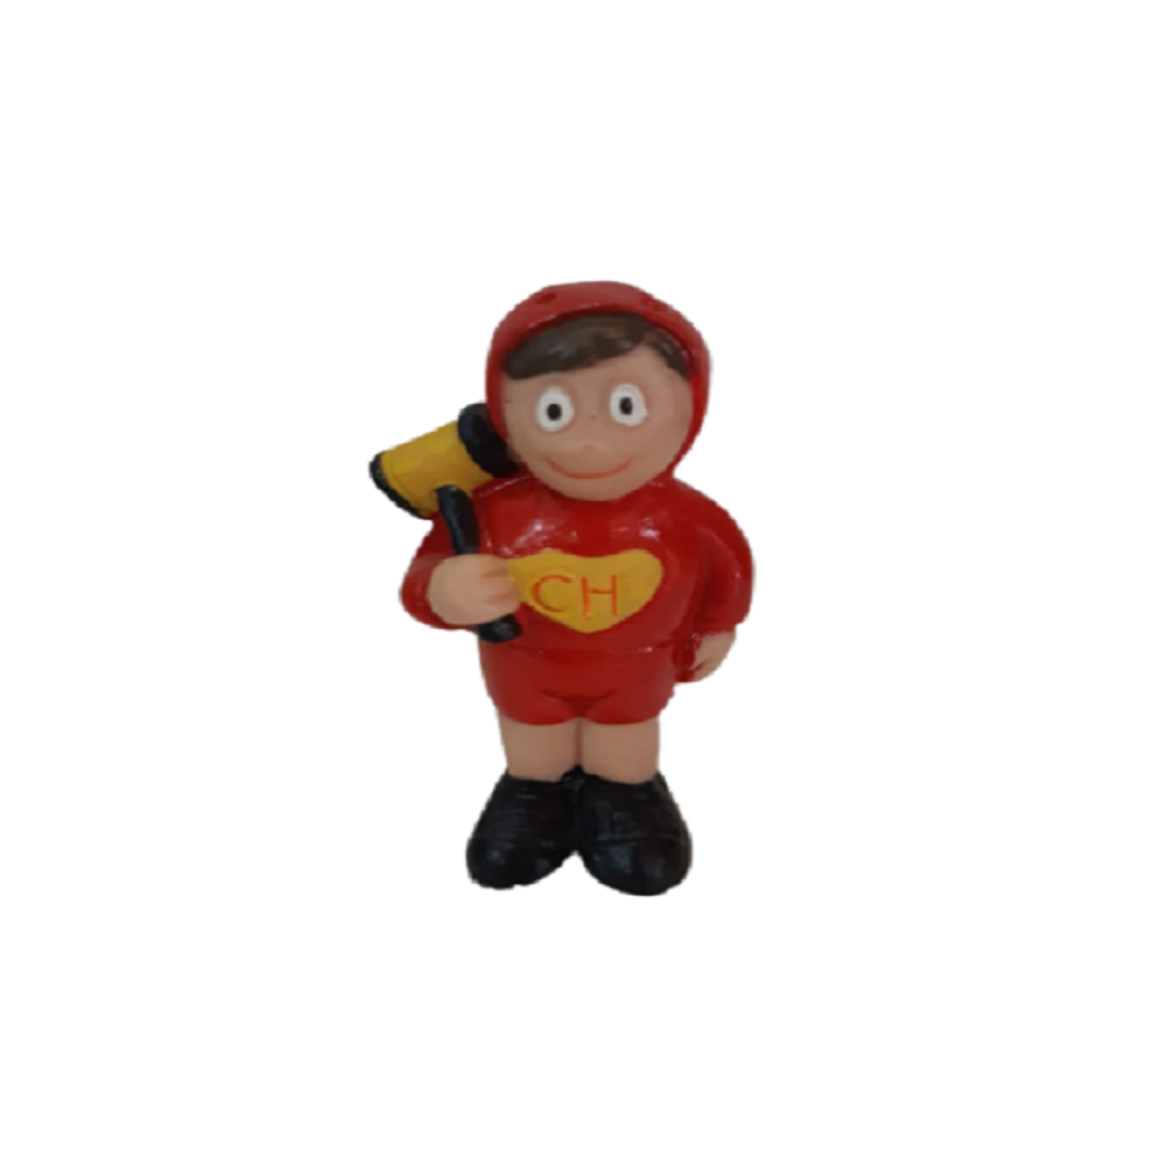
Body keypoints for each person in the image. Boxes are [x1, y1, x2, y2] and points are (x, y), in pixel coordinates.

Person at [398, 281, 754, 896]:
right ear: (505, 414)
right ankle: (534, 795)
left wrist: (720, 624)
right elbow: (422, 579)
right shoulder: (489, 511)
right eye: (554, 411)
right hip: (524, 665)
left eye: (624, 407)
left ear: (689, 408)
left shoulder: (686, 517)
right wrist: (443, 591)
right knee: (532, 737)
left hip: (637, 666)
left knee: (625, 735)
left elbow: (730, 567)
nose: (589, 442)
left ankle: (625, 798)